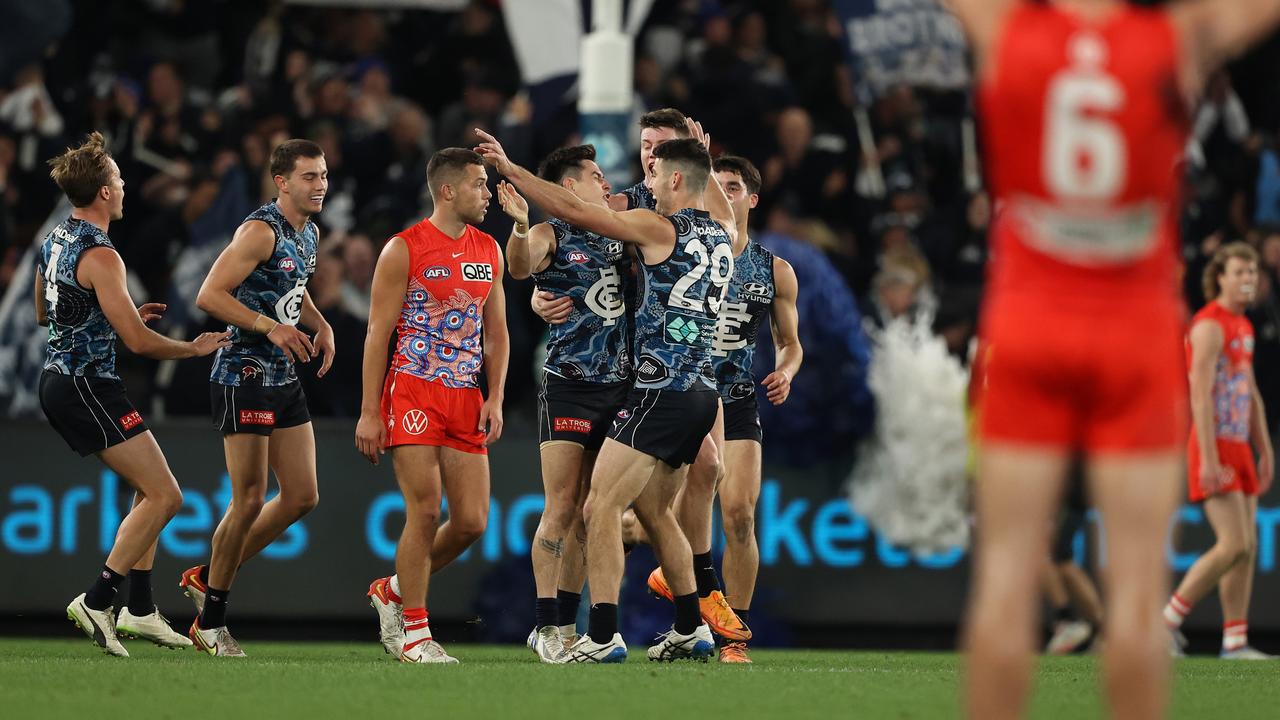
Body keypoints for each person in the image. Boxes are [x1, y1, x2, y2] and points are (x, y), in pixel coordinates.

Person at [947, 0, 1280, 717]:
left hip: (1029, 318)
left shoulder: (1006, 24)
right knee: (1135, 594)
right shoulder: (1176, 36)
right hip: (1132, 326)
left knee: (1005, 581)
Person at [476, 128, 735, 663]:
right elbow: (524, 265)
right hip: (691, 391)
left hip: (653, 391)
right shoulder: (721, 232)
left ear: (678, 180)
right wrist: (531, 264)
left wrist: (511, 168)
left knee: (599, 508)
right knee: (655, 514)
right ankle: (691, 628)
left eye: (659, 176)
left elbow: (593, 212)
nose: (644, 183)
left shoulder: (651, 227)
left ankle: (600, 635)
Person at [37, 132, 228, 656]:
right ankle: (99, 598)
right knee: (168, 496)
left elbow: (46, 312)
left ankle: (140, 609)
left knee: (151, 492)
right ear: (102, 192)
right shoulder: (102, 255)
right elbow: (139, 342)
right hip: (86, 385)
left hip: (61, 379)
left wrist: (108, 317)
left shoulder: (55, 240)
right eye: (118, 179)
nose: (124, 186)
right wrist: (192, 348)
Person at [645, 155, 802, 664]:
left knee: (739, 515)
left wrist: (786, 370)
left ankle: (733, 637)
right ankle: (683, 604)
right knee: (649, 515)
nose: (724, 193)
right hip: (685, 391)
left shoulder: (774, 269)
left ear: (752, 198)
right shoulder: (689, 250)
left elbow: (791, 342)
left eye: (734, 186)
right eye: (718, 184)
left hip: (735, 398)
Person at [182, 139, 335, 657]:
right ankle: (212, 621)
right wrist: (269, 327)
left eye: (323, 176)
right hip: (242, 373)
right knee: (247, 499)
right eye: (309, 177)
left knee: (302, 495)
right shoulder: (258, 230)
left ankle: (208, 576)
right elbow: (209, 295)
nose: (319, 185)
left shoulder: (308, 234)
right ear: (282, 182)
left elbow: (294, 286)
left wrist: (320, 323)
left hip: (283, 377)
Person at [357, 148, 508, 664]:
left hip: (466, 394)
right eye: (478, 185)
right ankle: (416, 634)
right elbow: (378, 334)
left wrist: (497, 394)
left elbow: (498, 333)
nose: (487, 193)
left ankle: (394, 590)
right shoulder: (404, 248)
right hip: (413, 388)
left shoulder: (490, 248)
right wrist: (369, 411)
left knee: (471, 521)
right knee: (424, 509)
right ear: (447, 191)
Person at [498, 144, 630, 662]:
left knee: (591, 514)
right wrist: (517, 227)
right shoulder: (553, 233)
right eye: (596, 176)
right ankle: (546, 627)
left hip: (620, 386)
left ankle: (573, 626)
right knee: (560, 506)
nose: (605, 182)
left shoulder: (620, 229)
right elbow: (520, 266)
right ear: (570, 187)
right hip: (570, 384)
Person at [1164, 242, 1273, 659]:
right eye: (1240, 272)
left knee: (1245, 550)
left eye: (1253, 273)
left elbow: (1252, 394)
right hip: (1214, 445)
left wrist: (1263, 447)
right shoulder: (1209, 325)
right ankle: (1165, 623)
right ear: (1220, 277)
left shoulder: (1242, 326)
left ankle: (1235, 641)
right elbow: (1200, 396)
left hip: (1238, 445)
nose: (1249, 279)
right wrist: (1208, 457)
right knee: (1232, 545)